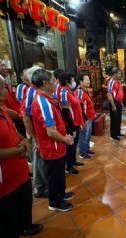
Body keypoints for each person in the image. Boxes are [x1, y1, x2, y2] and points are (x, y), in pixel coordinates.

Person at [0, 69, 42, 238]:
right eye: (1, 88)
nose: (6, 91)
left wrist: (23, 139)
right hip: (2, 182)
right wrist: (19, 150)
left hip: (20, 173)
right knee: (6, 226)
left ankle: (25, 227)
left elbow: (13, 129)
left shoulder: (0, 108)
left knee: (23, 208)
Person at [31, 69, 75, 212]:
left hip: (57, 145)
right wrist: (66, 139)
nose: (55, 83)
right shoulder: (43, 103)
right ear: (44, 83)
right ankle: (55, 202)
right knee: (54, 175)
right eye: (52, 80)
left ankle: (60, 194)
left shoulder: (48, 99)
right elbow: (50, 131)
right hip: (52, 146)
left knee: (59, 173)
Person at [22, 66, 49, 198]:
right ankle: (40, 188)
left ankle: (45, 184)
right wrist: (35, 138)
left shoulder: (37, 91)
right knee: (38, 159)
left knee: (42, 159)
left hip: (41, 132)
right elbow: (26, 118)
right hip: (35, 133)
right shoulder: (32, 92)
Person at [59, 72, 84, 175]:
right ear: (67, 82)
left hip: (77, 122)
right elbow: (66, 111)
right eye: (72, 80)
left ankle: (73, 161)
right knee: (70, 145)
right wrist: (73, 127)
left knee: (74, 144)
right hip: (71, 124)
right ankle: (68, 166)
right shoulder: (64, 93)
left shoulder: (71, 92)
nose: (74, 82)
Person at [76, 73, 96, 159]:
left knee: (88, 135)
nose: (89, 81)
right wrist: (84, 119)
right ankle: (82, 152)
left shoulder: (86, 90)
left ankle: (87, 149)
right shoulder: (79, 91)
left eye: (89, 79)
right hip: (85, 119)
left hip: (90, 117)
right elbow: (79, 106)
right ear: (81, 81)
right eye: (86, 80)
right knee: (83, 135)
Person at [107, 67, 124, 141]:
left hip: (118, 103)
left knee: (119, 119)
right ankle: (113, 135)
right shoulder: (111, 82)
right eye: (119, 73)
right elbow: (109, 94)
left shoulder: (118, 81)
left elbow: (119, 92)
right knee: (114, 119)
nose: (120, 74)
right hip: (114, 103)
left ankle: (118, 133)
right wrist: (113, 105)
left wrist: (121, 102)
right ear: (114, 74)